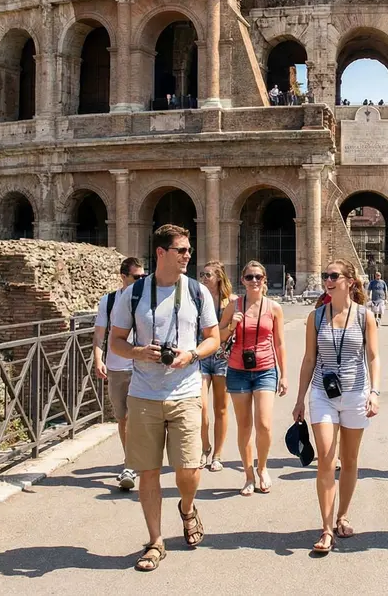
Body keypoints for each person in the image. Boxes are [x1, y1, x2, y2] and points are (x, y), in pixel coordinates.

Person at [107, 225, 220, 572]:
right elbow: (116, 341)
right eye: (181, 250)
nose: (188, 256)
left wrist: (193, 355)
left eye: (189, 250)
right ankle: (155, 541)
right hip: (143, 394)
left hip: (185, 390)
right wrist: (139, 352)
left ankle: (187, 508)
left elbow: (213, 337)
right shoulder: (135, 294)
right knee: (149, 471)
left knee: (189, 470)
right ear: (161, 253)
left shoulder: (199, 292)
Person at [293, 259, 380, 553]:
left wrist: (375, 391)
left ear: (349, 282)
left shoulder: (364, 316)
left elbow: (373, 357)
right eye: (325, 276)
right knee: (327, 460)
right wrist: (299, 399)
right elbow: (308, 359)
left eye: (333, 276)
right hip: (322, 392)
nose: (328, 280)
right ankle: (327, 528)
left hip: (355, 393)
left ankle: (343, 514)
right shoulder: (316, 317)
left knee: (351, 460)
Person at [224, 261, 288, 495]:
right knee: (244, 426)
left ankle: (262, 468)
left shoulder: (274, 308)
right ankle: (248, 475)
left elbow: (279, 342)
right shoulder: (233, 305)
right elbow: (218, 336)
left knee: (264, 424)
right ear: (242, 280)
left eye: (258, 277)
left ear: (264, 280)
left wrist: (284, 375)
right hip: (238, 370)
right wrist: (232, 325)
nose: (254, 281)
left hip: (265, 369)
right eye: (249, 277)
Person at [93, 256, 144, 490]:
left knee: (135, 418)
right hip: (115, 366)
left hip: (140, 366)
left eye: (143, 277)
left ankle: (130, 464)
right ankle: (131, 458)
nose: (140, 280)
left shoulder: (145, 298)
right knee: (122, 418)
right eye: (136, 277)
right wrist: (97, 359)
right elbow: (100, 332)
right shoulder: (109, 301)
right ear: (123, 276)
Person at [197, 261, 237, 473]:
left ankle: (217, 455)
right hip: (202, 356)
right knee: (201, 407)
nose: (203, 278)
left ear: (219, 277)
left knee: (220, 409)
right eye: (202, 274)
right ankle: (204, 448)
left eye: (208, 275)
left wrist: (230, 327)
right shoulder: (196, 299)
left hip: (223, 358)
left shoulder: (231, 302)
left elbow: (228, 333)